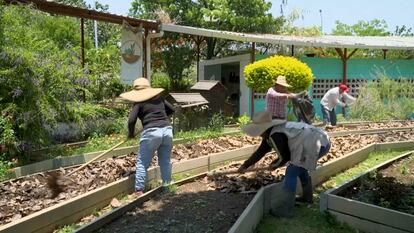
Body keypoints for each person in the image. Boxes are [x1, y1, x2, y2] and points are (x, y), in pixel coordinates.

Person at [238, 111, 331, 217]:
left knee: (291, 171)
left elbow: (285, 156)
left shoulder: (275, 135)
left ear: (264, 128)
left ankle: (286, 209)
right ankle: (307, 197)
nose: (258, 133)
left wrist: (276, 165)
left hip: (317, 143)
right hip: (321, 139)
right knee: (300, 168)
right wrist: (245, 165)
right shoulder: (272, 133)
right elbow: (261, 151)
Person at [120, 77, 175, 196]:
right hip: (167, 130)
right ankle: (167, 185)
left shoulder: (139, 102)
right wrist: (162, 118)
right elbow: (172, 109)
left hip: (151, 132)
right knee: (165, 160)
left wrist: (130, 134)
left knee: (142, 162)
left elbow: (131, 120)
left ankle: (139, 190)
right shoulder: (159, 99)